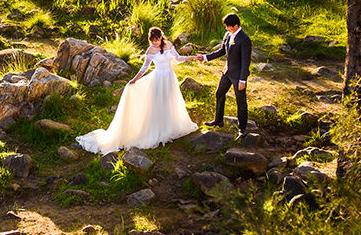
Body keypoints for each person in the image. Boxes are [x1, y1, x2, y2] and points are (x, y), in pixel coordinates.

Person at [76, 26, 198, 154]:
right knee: (157, 104)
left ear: (161, 37)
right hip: (158, 79)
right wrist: (134, 80)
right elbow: (144, 68)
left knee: (170, 101)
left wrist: (193, 57)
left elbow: (178, 58)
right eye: (152, 41)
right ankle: (157, 130)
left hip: (169, 78)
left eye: (156, 40)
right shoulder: (150, 50)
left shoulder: (168, 44)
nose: (154, 42)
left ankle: (169, 128)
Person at [193, 12, 252, 136]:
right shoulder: (227, 35)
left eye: (228, 26)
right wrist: (204, 57)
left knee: (240, 101)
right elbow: (222, 51)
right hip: (227, 72)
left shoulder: (244, 39)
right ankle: (218, 120)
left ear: (236, 26)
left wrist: (243, 79)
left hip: (238, 75)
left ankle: (242, 129)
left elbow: (246, 61)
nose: (227, 28)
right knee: (219, 93)